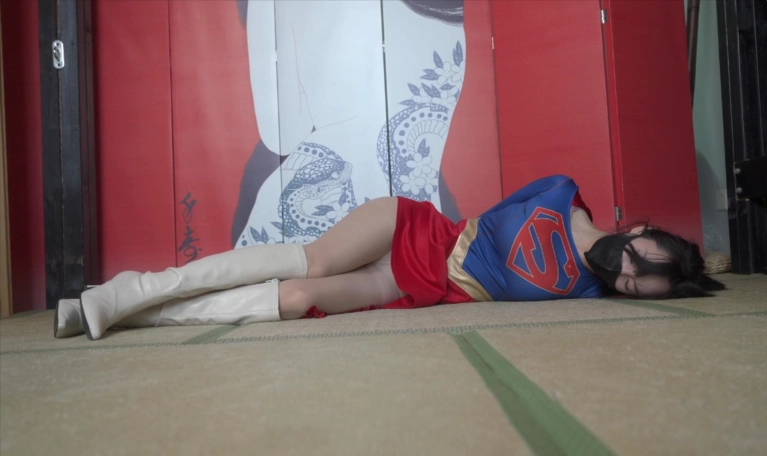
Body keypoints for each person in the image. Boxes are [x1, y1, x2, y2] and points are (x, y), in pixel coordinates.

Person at [55, 175, 725, 340]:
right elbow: (487, 219)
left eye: (635, 288)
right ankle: (126, 291)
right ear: (639, 229)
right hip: (415, 233)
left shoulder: (585, 294)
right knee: (313, 265)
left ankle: (126, 312)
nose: (624, 276)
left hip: (419, 289)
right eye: (638, 262)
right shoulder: (560, 191)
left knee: (296, 299)